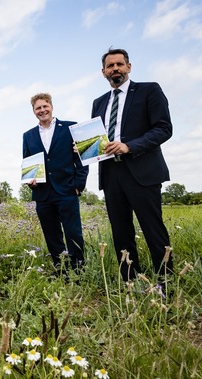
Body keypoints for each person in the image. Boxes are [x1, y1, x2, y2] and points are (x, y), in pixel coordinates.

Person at [91, 48, 173, 282]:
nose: (115, 68)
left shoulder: (149, 90)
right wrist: (86, 149)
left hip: (142, 171)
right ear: (103, 72)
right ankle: (130, 281)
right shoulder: (98, 103)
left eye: (119, 64)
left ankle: (165, 282)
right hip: (111, 174)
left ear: (129, 66)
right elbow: (99, 139)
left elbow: (164, 128)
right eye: (110, 66)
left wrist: (130, 146)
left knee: (153, 229)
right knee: (121, 232)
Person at [22, 93, 88, 274]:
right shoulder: (28, 136)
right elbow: (28, 163)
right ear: (34, 111)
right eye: (38, 108)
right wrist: (31, 181)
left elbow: (82, 158)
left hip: (67, 189)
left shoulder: (70, 127)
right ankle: (61, 270)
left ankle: (79, 271)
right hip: (43, 193)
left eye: (45, 106)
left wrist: (78, 184)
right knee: (52, 234)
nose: (42, 110)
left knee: (73, 232)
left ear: (51, 106)